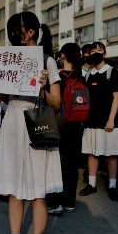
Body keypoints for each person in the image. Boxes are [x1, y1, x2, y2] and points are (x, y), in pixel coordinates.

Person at [0, 11, 62, 234]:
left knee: (37, 191)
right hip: (12, 125)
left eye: (15, 30)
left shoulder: (47, 60)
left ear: (30, 32)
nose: (11, 35)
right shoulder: (10, 59)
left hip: (35, 124)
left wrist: (41, 89)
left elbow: (57, 102)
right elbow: (9, 99)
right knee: (14, 189)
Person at [78, 41, 118, 201]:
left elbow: (117, 97)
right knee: (92, 153)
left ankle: (112, 186)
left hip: (109, 123)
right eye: (92, 51)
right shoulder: (89, 75)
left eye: (99, 50)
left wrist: (111, 119)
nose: (95, 53)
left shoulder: (113, 72)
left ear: (104, 53)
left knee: (111, 155)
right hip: (91, 122)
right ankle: (91, 184)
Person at [46, 43, 84, 214]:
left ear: (62, 55)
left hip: (57, 124)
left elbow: (51, 102)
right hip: (76, 124)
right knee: (72, 164)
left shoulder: (56, 77)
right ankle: (69, 201)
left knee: (54, 163)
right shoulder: (82, 76)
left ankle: (54, 203)